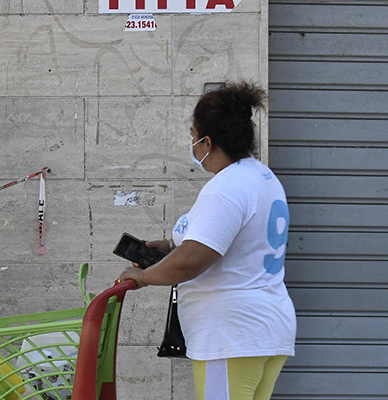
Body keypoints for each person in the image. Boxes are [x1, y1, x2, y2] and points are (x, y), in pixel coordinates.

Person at [117, 82, 296, 400]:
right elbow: (234, 245)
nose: (193, 145)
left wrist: (144, 276)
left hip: (231, 334)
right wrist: (172, 248)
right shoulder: (261, 178)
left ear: (207, 141)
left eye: (192, 137)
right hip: (263, 328)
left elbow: (190, 263)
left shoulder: (226, 188)